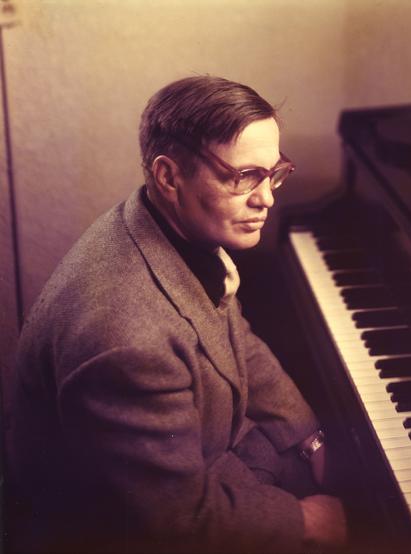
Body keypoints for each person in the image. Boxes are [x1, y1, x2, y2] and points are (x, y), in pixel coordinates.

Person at [6, 76, 347, 554]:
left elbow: (235, 338)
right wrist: (305, 521)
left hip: (204, 457)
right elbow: (178, 519)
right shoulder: (125, 341)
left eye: (273, 173)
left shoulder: (161, 222)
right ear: (168, 176)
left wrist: (309, 437)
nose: (267, 197)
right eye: (244, 177)